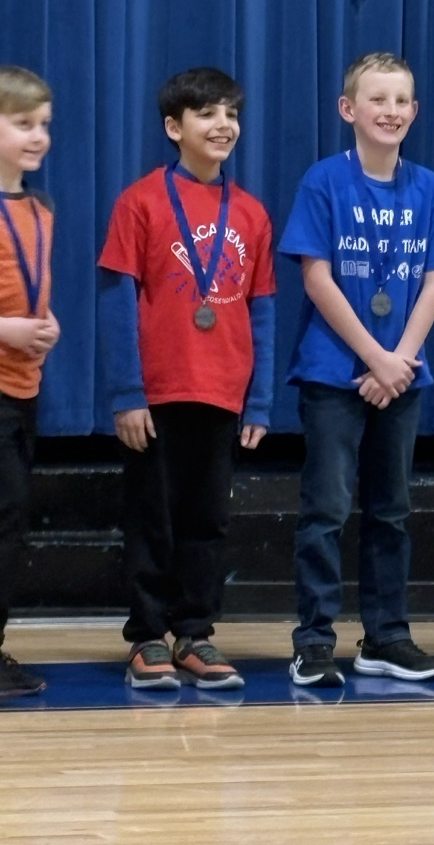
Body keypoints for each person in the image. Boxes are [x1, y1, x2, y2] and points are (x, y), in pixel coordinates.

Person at [279, 52, 434, 688]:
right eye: (377, 99)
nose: (391, 111)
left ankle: (386, 636)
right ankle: (314, 640)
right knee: (326, 511)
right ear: (348, 109)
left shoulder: (428, 187)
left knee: (392, 511)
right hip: (337, 374)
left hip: (402, 376)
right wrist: (374, 358)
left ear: (415, 110)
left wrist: (400, 360)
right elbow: (316, 276)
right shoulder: (324, 181)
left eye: (401, 100)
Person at [98, 67, 275, 691]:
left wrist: (259, 399)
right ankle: (147, 634)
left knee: (208, 519)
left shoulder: (250, 213)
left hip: (222, 390)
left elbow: (261, 308)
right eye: (207, 113)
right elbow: (117, 301)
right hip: (159, 391)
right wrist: (127, 393)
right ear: (174, 127)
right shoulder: (141, 201)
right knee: (153, 515)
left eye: (231, 113)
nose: (223, 124)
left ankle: (194, 632)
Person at [0, 65, 59, 697]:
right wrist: (8, 330)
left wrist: (45, 320)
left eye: (43, 124)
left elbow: (29, 285)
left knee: (10, 519)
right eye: (23, 123)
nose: (38, 136)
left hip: (23, 387)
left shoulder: (40, 208)